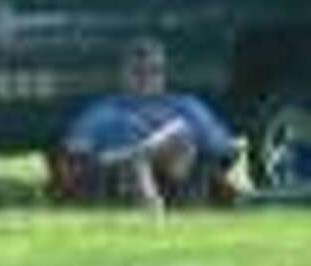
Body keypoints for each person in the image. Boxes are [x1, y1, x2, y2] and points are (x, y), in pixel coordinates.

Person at [55, 37, 240, 208]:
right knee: (143, 159)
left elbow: (224, 150)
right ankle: (142, 167)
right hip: (120, 172)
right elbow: (74, 158)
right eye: (138, 72)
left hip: (178, 170)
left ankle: (144, 161)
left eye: (154, 71)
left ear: (164, 74)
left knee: (179, 132)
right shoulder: (103, 111)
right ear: (122, 74)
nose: (147, 79)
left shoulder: (186, 105)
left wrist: (157, 147)